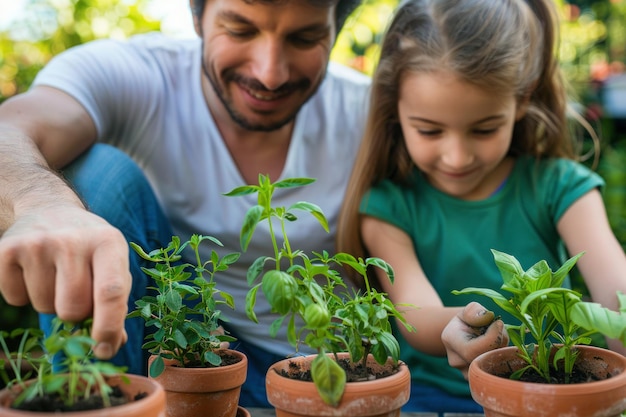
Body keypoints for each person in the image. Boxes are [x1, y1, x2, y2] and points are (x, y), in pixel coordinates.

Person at [0, 0, 369, 408]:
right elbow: (9, 130)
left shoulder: (366, 110)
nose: (269, 73)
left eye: (304, 38)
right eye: (240, 30)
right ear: (197, 17)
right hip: (184, 349)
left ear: (336, 29)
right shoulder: (139, 74)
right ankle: (99, 400)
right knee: (96, 173)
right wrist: (44, 204)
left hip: (330, 369)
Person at [336, 0, 626, 413]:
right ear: (394, 108)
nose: (457, 156)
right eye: (429, 130)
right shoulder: (389, 205)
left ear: (522, 100)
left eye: (485, 128)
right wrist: (471, 322)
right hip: (429, 401)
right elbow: (417, 316)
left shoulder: (561, 187)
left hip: (551, 398)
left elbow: (617, 293)